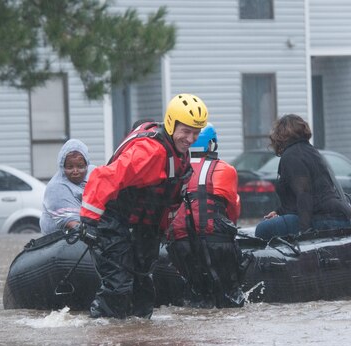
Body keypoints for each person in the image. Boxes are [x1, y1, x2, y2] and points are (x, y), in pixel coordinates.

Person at [77, 93, 208, 319]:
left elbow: (169, 201)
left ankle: (139, 342)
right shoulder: (149, 152)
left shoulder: (180, 155)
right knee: (118, 286)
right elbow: (102, 178)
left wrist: (165, 231)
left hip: (143, 227)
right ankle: (102, 339)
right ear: (171, 123)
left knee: (143, 288)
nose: (190, 138)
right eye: (186, 131)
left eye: (196, 133)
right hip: (113, 219)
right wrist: (88, 221)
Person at [167, 123, 244, 308]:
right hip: (216, 241)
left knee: (195, 298)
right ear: (211, 144)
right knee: (229, 299)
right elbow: (233, 211)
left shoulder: (171, 168)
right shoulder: (225, 170)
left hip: (180, 244)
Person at [255, 114, 351, 240]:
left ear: (281, 135)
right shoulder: (310, 151)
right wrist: (279, 212)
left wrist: (305, 233)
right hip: (336, 216)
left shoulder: (291, 156)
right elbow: (307, 193)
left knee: (263, 229)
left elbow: (304, 194)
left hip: (323, 220)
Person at [40, 139, 95, 234]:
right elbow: (73, 224)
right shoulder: (56, 188)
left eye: (80, 166)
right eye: (70, 167)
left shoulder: (93, 174)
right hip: (61, 241)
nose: (75, 171)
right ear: (62, 166)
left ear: (87, 165)